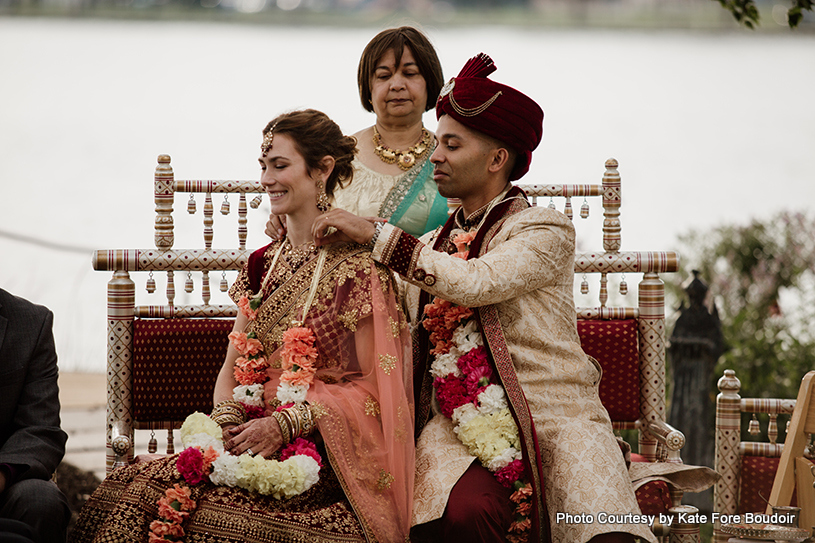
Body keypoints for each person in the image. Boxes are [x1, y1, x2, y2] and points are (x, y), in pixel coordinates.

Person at [311, 54, 658, 543]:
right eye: (438, 143)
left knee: (607, 536)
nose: (435, 156)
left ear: (497, 160)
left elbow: (476, 282)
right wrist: (298, 229)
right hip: (458, 422)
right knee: (461, 514)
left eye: (451, 145)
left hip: (555, 414)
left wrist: (372, 232)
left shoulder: (543, 229)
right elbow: (379, 299)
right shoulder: (432, 245)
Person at [70, 110, 414, 543]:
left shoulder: (360, 268)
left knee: (215, 523)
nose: (267, 179)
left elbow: (376, 390)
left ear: (323, 169)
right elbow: (233, 366)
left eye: (281, 166)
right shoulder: (263, 265)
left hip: (318, 455)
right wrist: (228, 421)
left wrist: (288, 425)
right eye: (263, 166)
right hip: (246, 436)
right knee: (126, 490)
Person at [267, 26, 448, 241]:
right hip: (337, 273)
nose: (397, 85)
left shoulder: (448, 156)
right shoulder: (337, 155)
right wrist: (286, 217)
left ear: (430, 83)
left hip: (423, 273)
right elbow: (302, 206)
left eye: (410, 74)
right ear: (368, 88)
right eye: (384, 76)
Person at [0, 288, 70, 543]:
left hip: (3, 479)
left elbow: (41, 428)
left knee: (40, 499)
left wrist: (2, 473)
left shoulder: (31, 322)